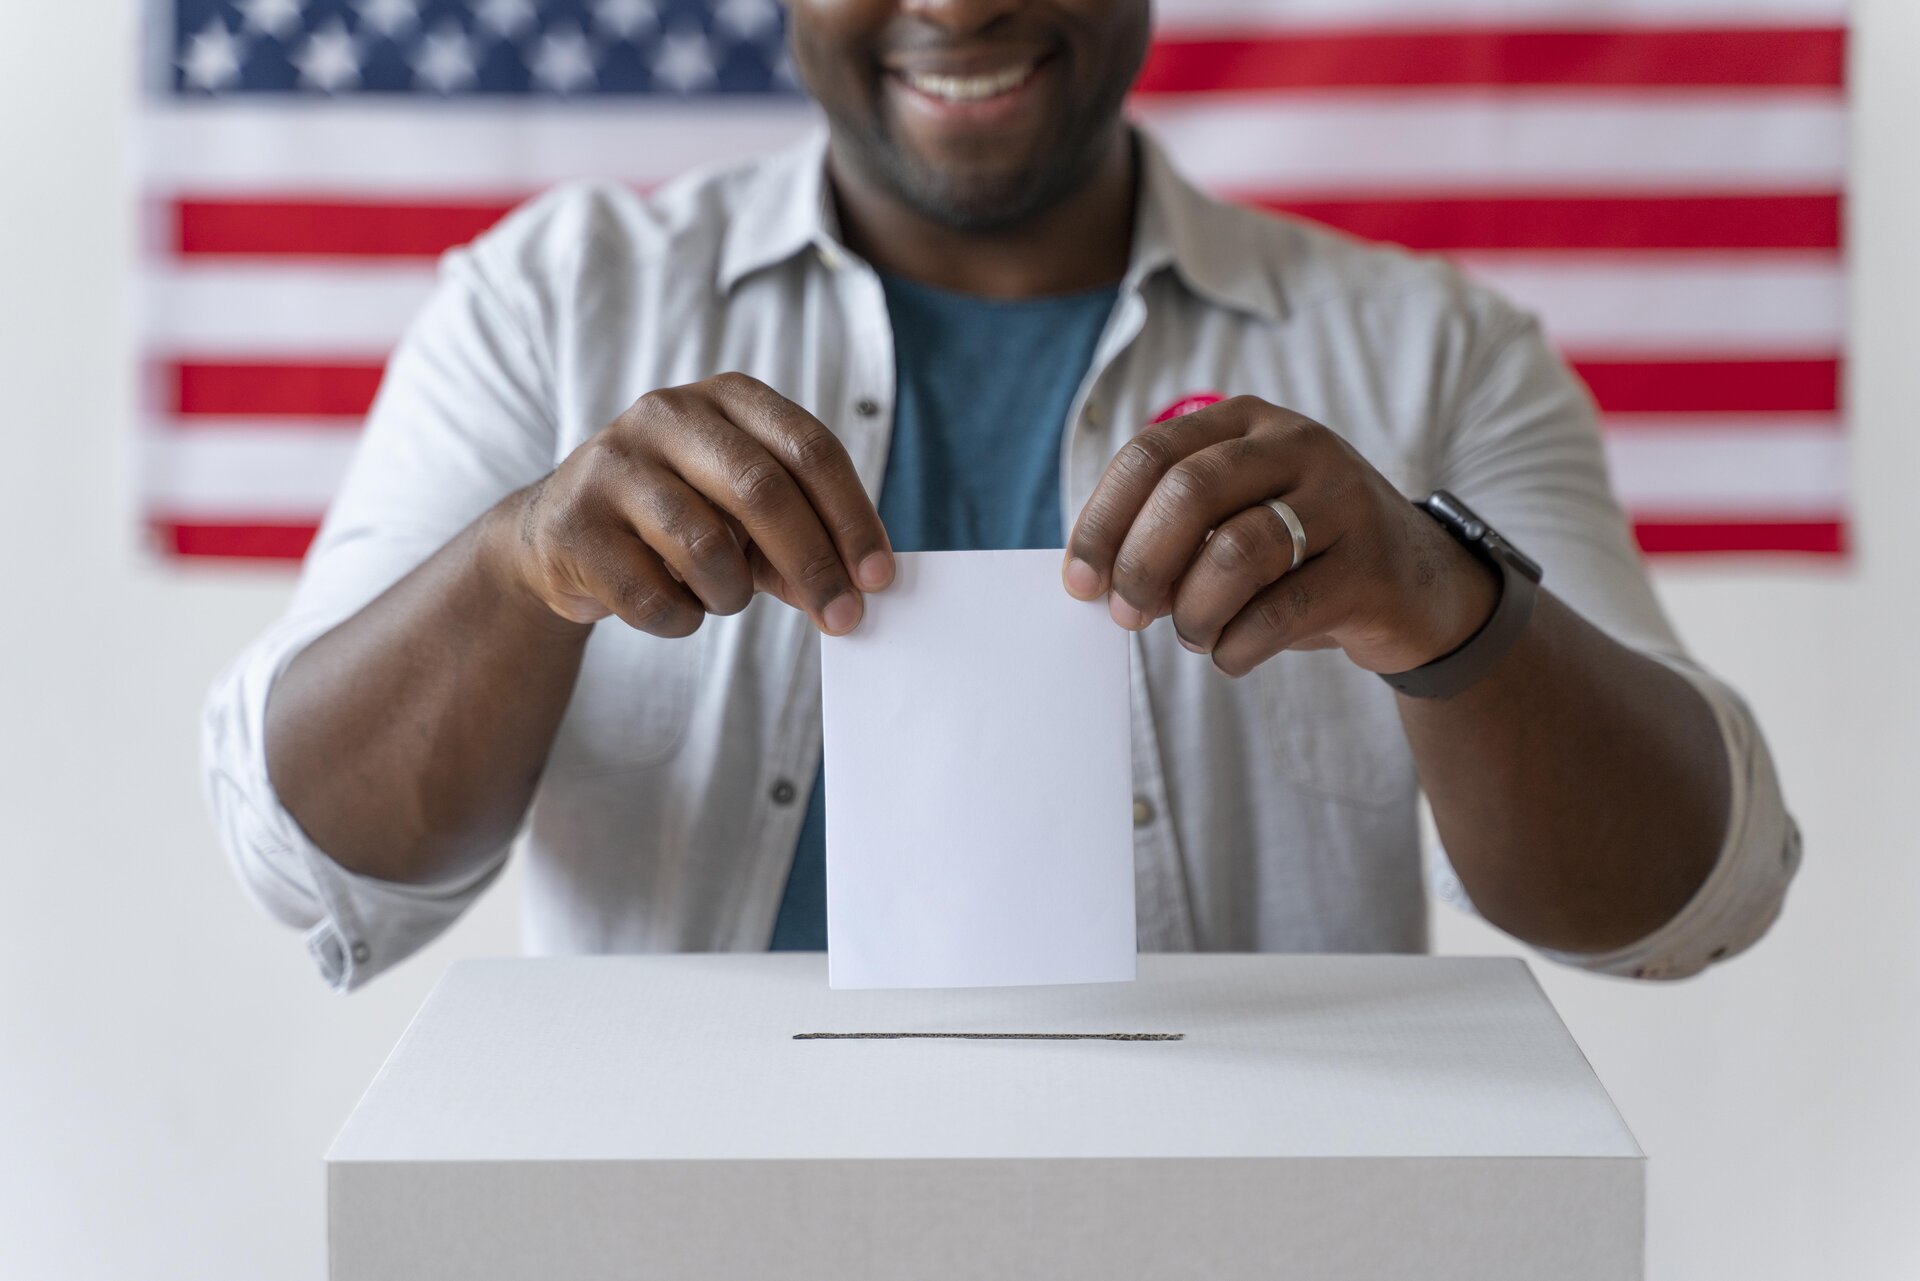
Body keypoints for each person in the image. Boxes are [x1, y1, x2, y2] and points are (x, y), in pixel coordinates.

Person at [202, 0, 1797, 992]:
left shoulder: (1432, 350)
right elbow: (304, 859)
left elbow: (1688, 899)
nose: (959, 6)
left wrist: (1445, 606)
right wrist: (518, 569)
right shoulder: (549, 309)